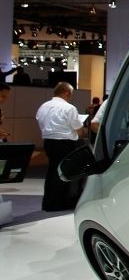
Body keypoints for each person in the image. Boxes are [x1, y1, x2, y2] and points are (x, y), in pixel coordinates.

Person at [35, 82, 87, 212]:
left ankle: (48, 202)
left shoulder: (43, 106)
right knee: (62, 172)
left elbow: (40, 122)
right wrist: (81, 132)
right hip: (64, 143)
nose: (71, 96)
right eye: (71, 94)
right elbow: (79, 130)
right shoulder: (69, 108)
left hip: (48, 142)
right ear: (66, 93)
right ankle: (58, 202)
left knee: (52, 171)